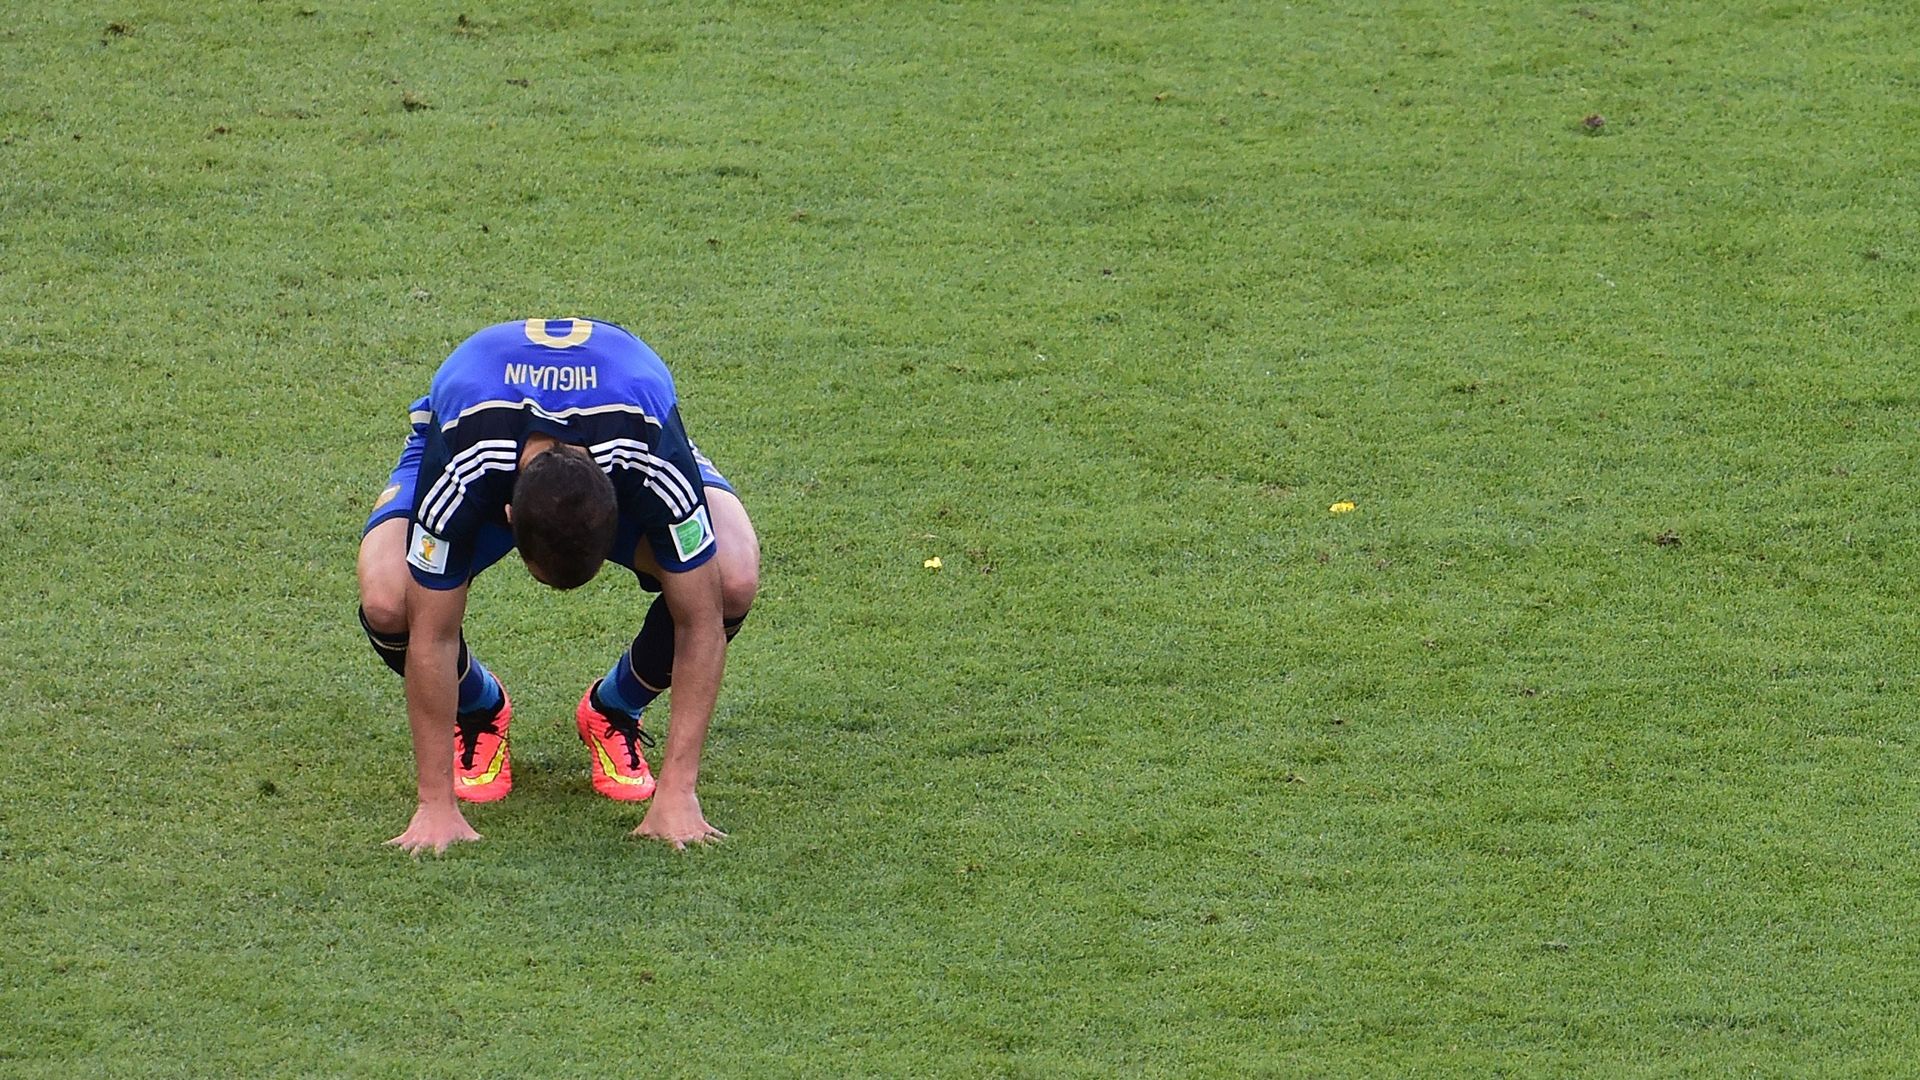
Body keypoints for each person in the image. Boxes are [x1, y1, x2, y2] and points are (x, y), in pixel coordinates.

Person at [356, 317, 759, 854]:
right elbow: (432, 632)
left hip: (632, 420)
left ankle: (615, 708)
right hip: (462, 430)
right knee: (390, 601)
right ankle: (478, 709)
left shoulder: (648, 459)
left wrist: (678, 794)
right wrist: (435, 804)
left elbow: (701, 619)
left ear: (621, 516)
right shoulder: (463, 470)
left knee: (730, 581)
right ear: (504, 519)